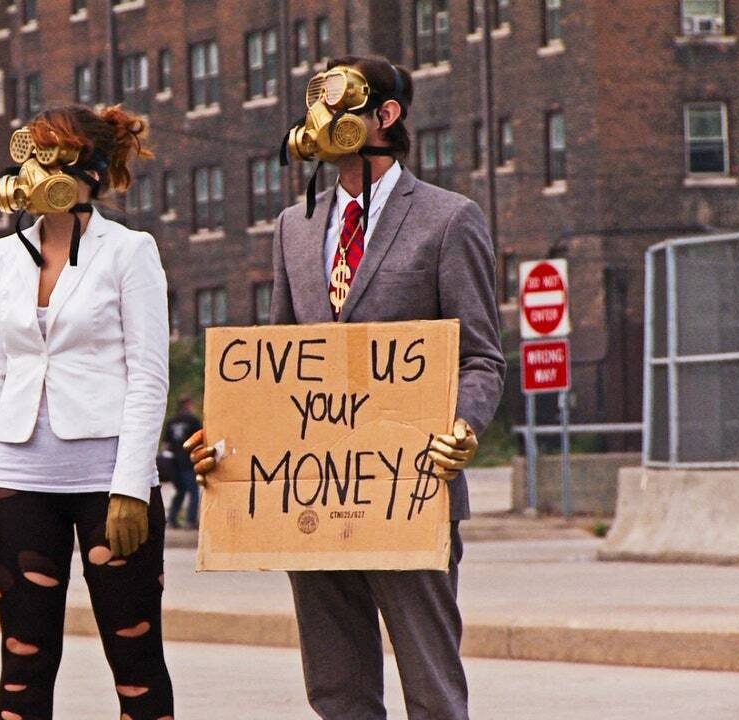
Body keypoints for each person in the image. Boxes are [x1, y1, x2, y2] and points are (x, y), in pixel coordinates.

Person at [187, 55, 505, 720]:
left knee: (432, 686)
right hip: (311, 493)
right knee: (336, 689)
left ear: (387, 115)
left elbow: (481, 356)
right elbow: (277, 362)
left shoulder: (449, 219)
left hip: (410, 487)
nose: (322, 118)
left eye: (340, 102)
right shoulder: (293, 226)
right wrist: (230, 440)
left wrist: (463, 427)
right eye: (316, 102)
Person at [0, 104, 175, 720]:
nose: (32, 169)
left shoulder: (129, 251)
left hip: (108, 481)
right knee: (23, 661)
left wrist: (131, 485)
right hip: (18, 480)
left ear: (89, 171)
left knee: (135, 659)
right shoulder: (1, 257)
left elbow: (148, 375)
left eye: (49, 154)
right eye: (29, 152)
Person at [163, 397, 202, 529]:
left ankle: (172, 519)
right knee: (193, 492)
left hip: (173, 462)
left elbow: (166, 444)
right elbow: (200, 438)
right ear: (188, 405)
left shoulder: (172, 421)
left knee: (180, 491)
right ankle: (190, 520)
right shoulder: (193, 421)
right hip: (189, 461)